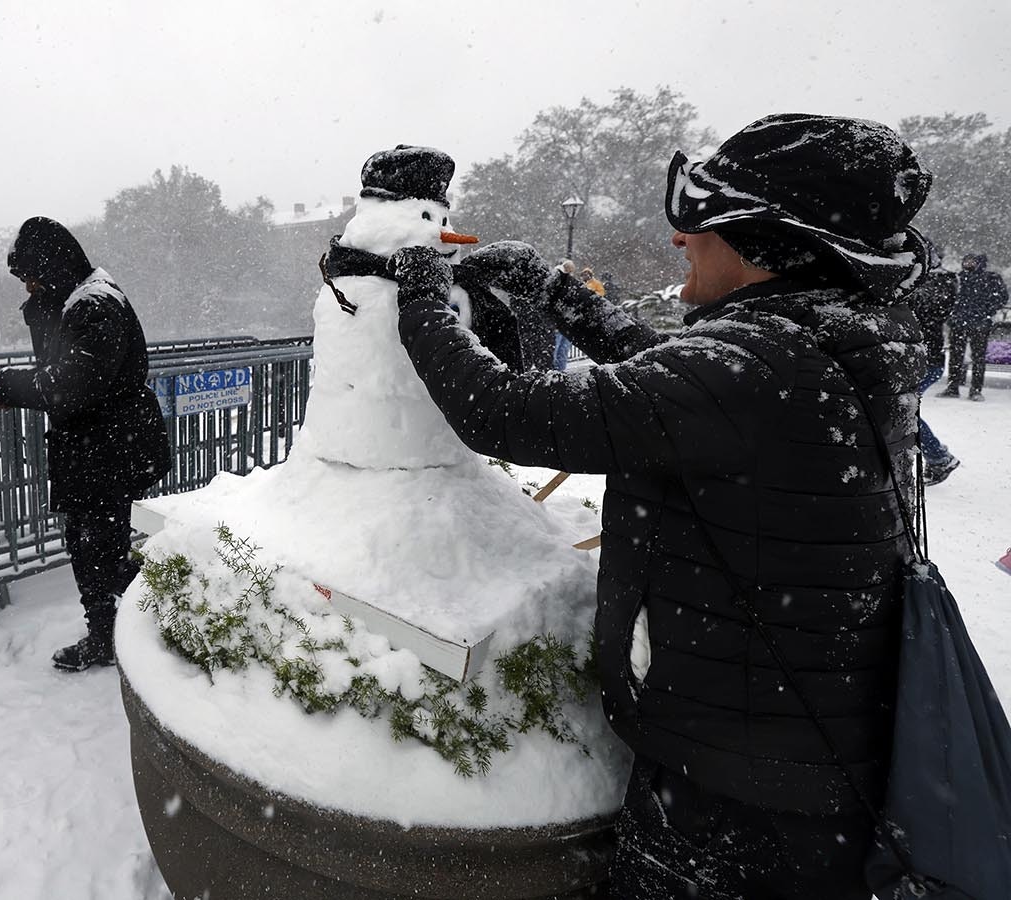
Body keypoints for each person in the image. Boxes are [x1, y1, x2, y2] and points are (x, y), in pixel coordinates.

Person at [389, 113, 928, 899]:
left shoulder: (755, 366)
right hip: (811, 750)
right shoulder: (832, 338)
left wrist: (422, 294)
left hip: (738, 791)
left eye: (698, 222)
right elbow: (676, 386)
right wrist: (554, 292)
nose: (681, 241)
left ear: (764, 242)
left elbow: (502, 411)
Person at [0, 217, 171, 672]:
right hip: (92, 451)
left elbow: (72, 385)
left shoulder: (95, 305)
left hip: (107, 452)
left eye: (31, 276)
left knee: (105, 554)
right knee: (87, 548)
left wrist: (4, 387)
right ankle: (110, 632)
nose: (28, 287)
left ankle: (171, 616)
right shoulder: (76, 299)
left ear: (52, 266)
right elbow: (61, 370)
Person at [906, 249, 961, 483]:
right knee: (906, 410)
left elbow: (929, 307)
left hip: (928, 360)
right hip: (915, 357)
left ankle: (939, 458)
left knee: (906, 411)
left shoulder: (942, 280)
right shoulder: (921, 279)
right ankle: (938, 457)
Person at [942, 252, 1008, 400]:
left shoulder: (991, 278)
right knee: (955, 357)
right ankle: (953, 387)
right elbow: (949, 297)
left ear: (979, 263)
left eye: (971, 261)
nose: (968, 264)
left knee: (978, 358)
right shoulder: (958, 278)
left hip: (979, 323)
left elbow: (1002, 297)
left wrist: (986, 311)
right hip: (960, 323)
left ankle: (975, 390)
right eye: (966, 261)